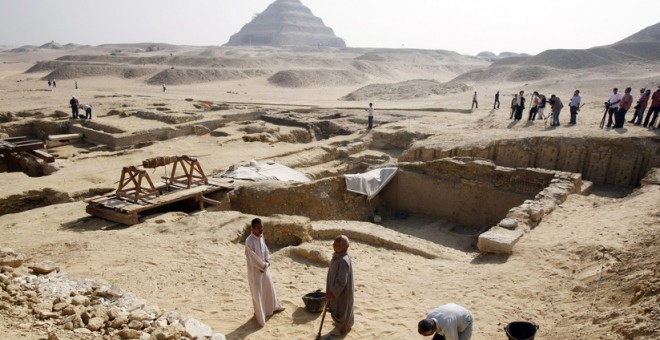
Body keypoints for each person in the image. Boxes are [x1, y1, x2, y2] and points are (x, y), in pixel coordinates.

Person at [245, 218, 285, 327]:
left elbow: (265, 250)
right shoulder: (249, 241)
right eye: (258, 228)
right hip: (255, 272)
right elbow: (252, 258)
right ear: (252, 229)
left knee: (269, 288)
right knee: (258, 293)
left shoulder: (261, 236)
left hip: (265, 268)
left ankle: (273, 308)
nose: (261, 230)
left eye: (262, 227)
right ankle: (260, 316)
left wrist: (267, 260)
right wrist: (263, 265)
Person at [326, 235, 354, 336]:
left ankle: (342, 329)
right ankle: (341, 325)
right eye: (334, 243)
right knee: (339, 309)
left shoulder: (342, 261)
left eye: (337, 244)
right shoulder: (339, 256)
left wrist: (333, 292)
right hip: (336, 289)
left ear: (342, 246)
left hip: (341, 292)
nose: (333, 245)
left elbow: (342, 281)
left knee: (342, 309)